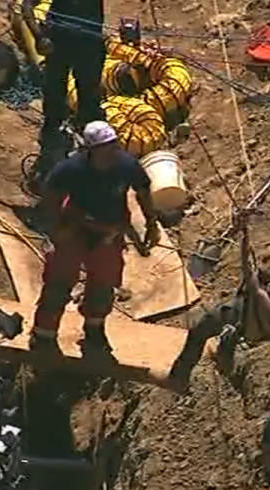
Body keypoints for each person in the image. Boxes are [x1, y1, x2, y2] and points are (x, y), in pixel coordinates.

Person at [30, 121, 160, 358]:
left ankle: (93, 331)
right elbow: (50, 198)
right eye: (104, 147)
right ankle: (43, 334)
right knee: (59, 282)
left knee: (103, 285)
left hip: (109, 232)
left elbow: (142, 191)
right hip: (76, 228)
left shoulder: (126, 166)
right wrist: (56, 229)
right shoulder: (70, 169)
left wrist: (152, 224)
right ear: (89, 150)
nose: (111, 151)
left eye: (113, 145)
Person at [168, 215, 270, 389]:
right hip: (247, 328)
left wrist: (244, 236)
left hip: (231, 314)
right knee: (217, 337)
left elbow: (249, 270)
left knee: (197, 334)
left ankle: (179, 377)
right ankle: (224, 357)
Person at [23, 0, 106, 173]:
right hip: (58, 43)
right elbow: (27, 5)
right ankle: (52, 147)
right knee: (54, 94)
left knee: (89, 96)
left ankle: (90, 145)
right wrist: (39, 37)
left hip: (89, 43)